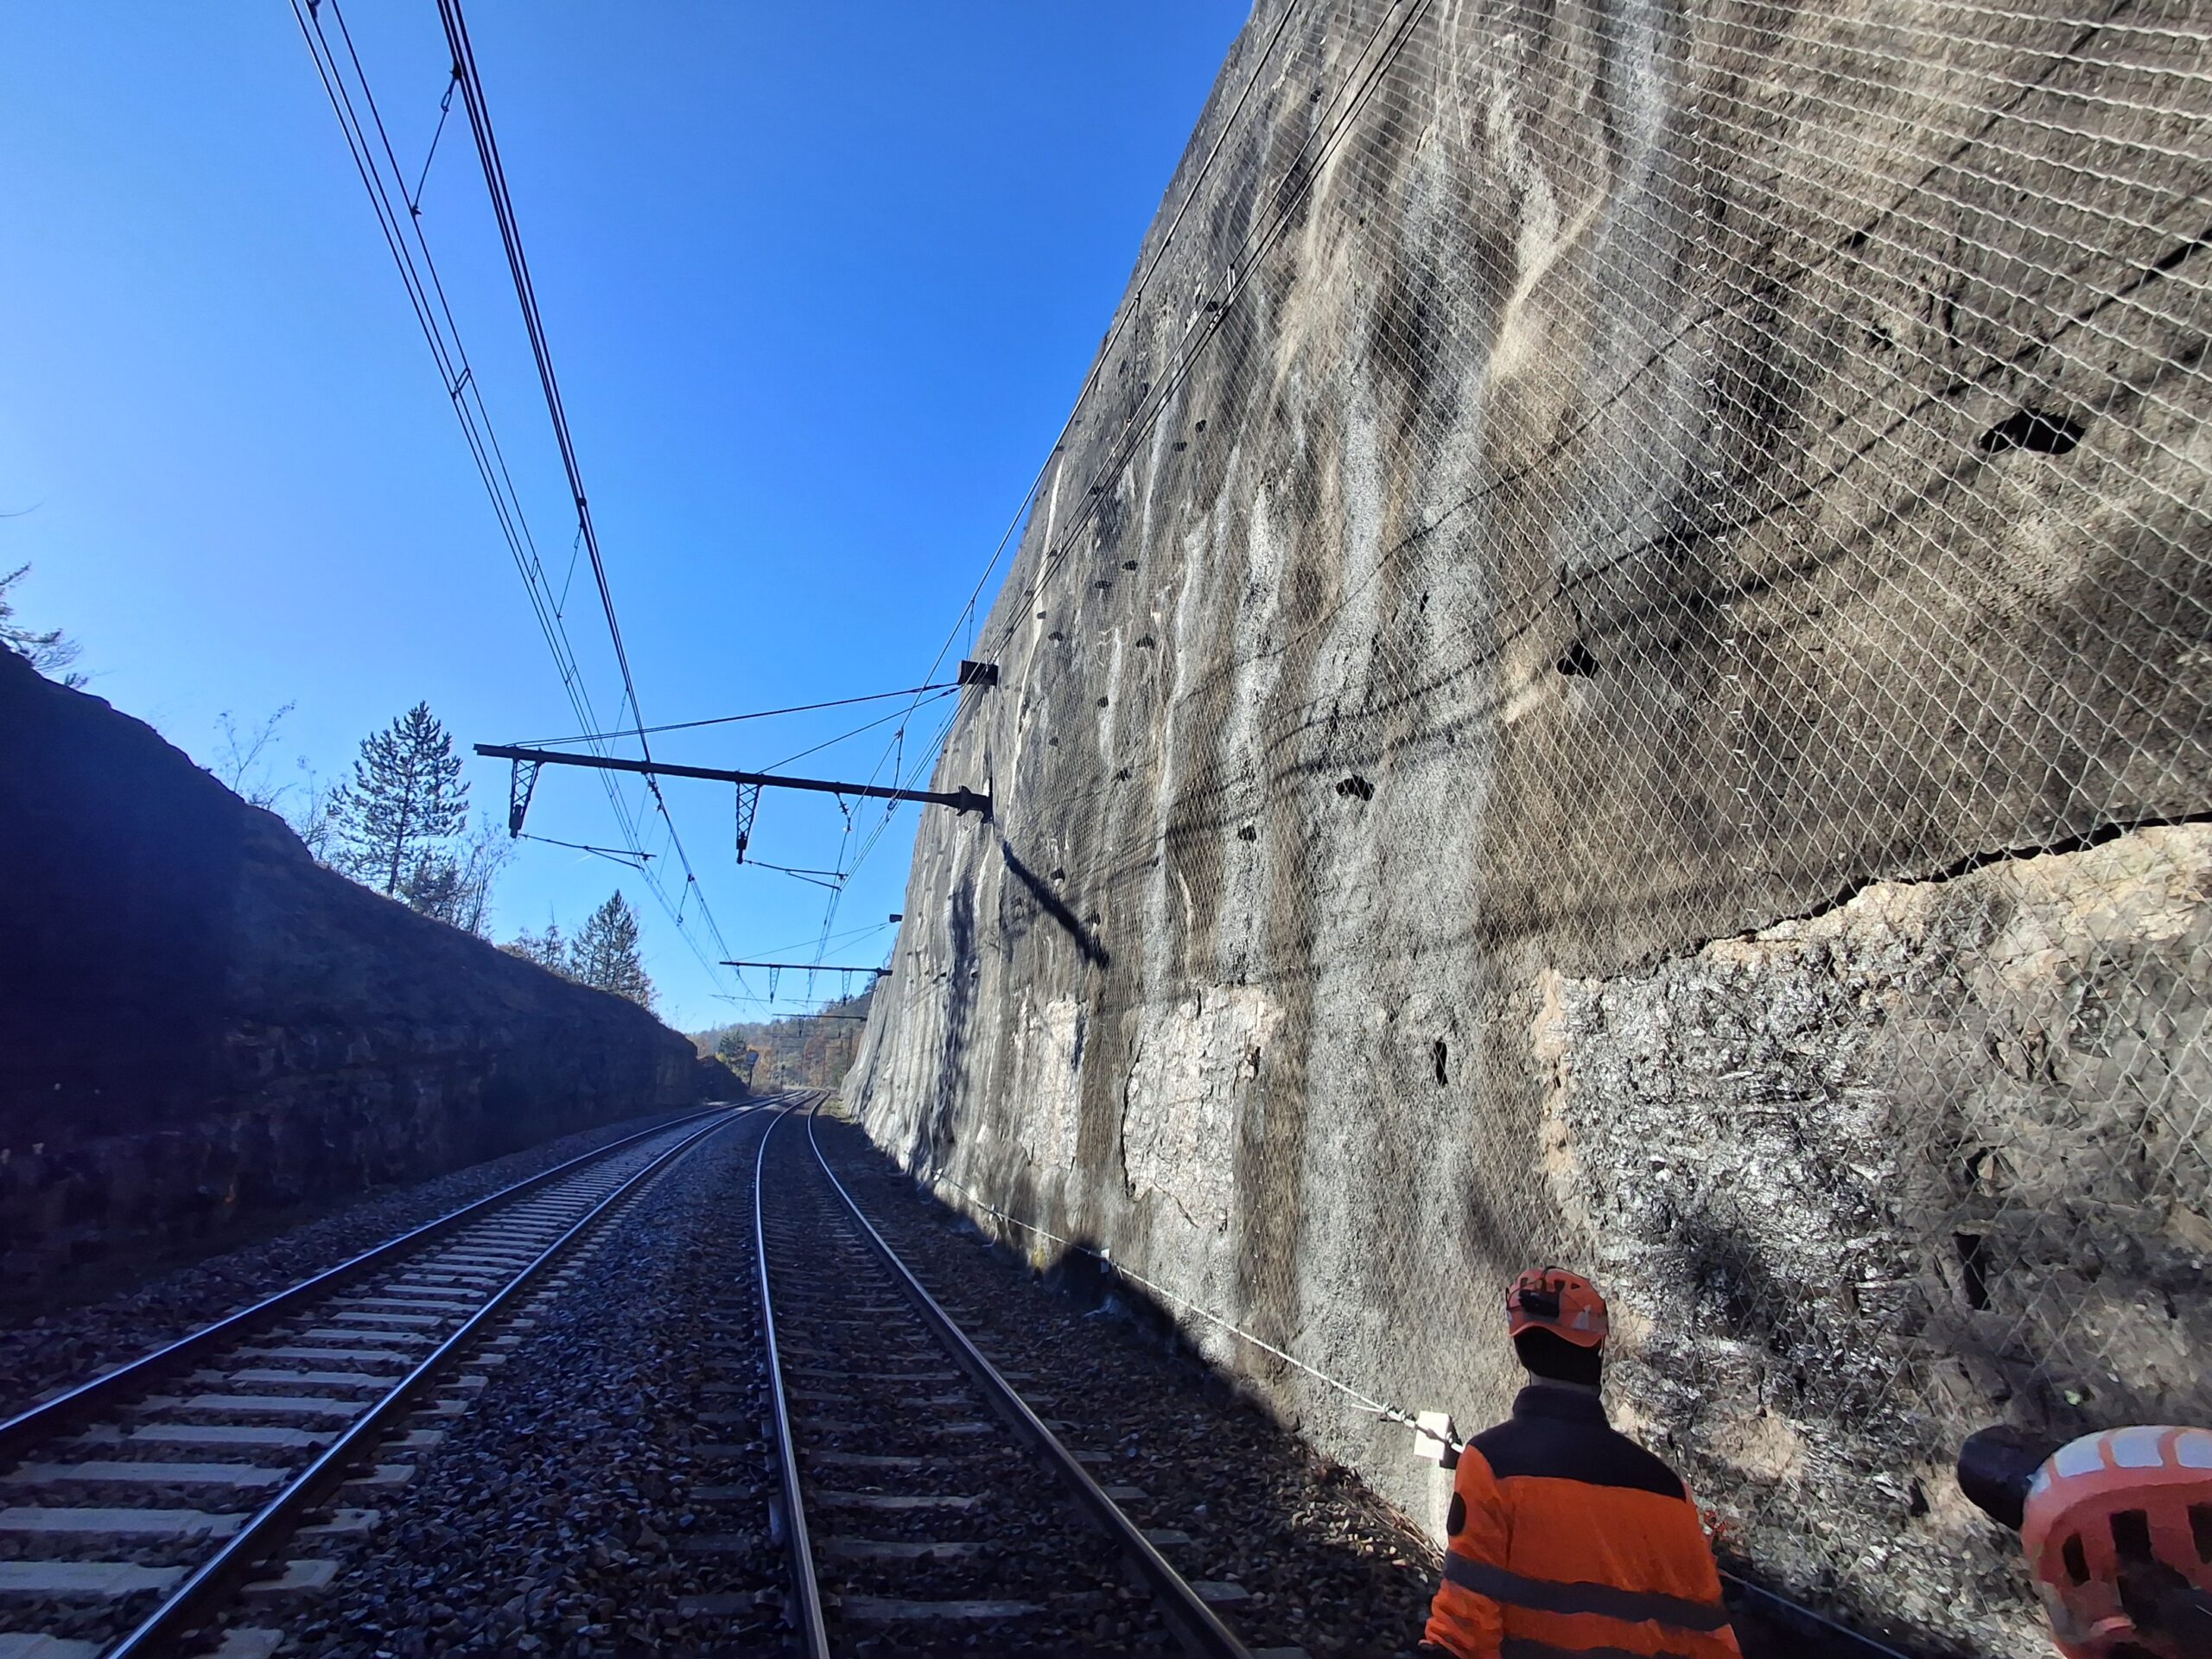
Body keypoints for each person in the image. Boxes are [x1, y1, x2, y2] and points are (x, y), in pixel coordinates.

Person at [1421, 1268, 1742, 1659]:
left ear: (1521, 1351)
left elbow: (1465, 1631)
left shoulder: (1493, 1465)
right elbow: (1709, 1639)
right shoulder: (1668, 1490)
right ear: (1598, 1349)